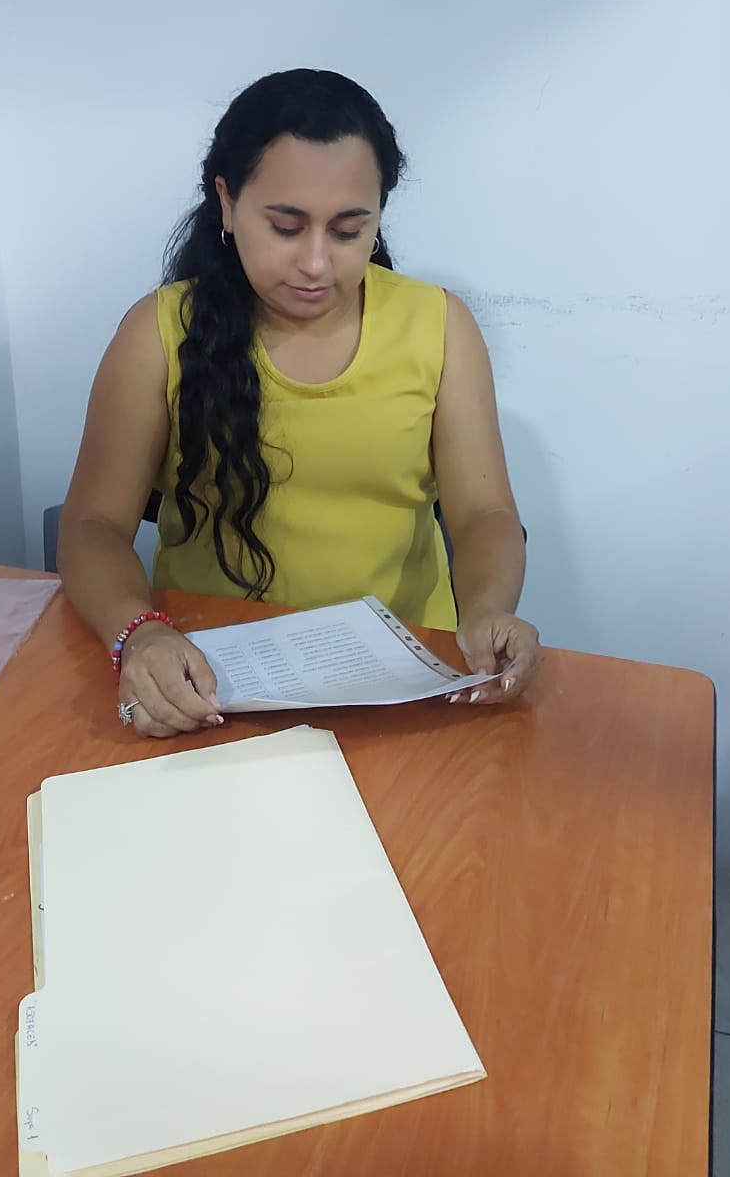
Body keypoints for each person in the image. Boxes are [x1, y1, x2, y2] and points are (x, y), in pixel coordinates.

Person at [58, 68, 540, 737]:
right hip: (209, 683)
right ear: (227, 203)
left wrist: (485, 609)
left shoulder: (438, 326)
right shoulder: (160, 333)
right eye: (286, 227)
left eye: (347, 231)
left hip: (402, 684)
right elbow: (92, 525)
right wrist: (138, 633)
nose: (316, 263)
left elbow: (484, 513)